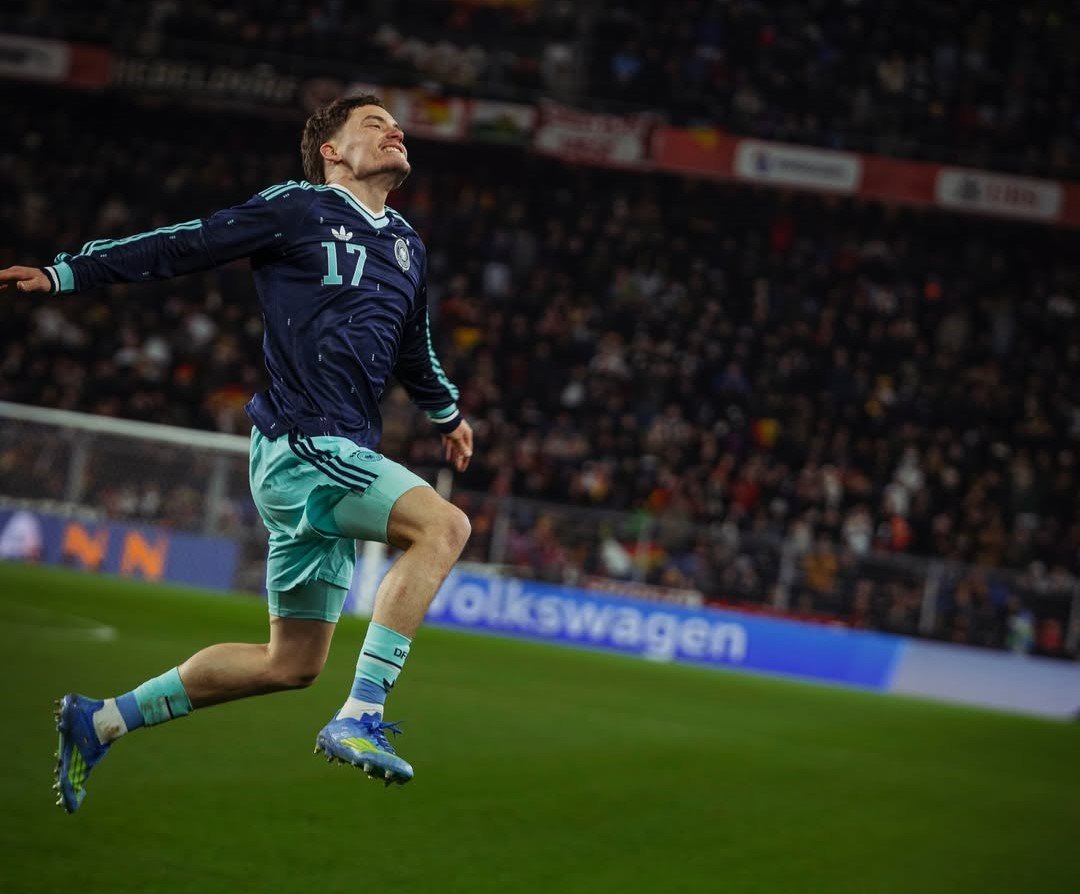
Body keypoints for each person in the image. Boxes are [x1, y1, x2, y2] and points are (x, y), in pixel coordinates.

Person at [0, 95, 474, 812]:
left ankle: (99, 720)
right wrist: (68, 273)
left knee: (291, 664)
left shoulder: (408, 245)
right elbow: (183, 242)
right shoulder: (299, 208)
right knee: (445, 526)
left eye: (394, 123)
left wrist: (446, 412)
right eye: (373, 123)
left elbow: (414, 343)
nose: (393, 129)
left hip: (333, 454)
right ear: (332, 152)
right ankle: (363, 715)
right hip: (304, 442)